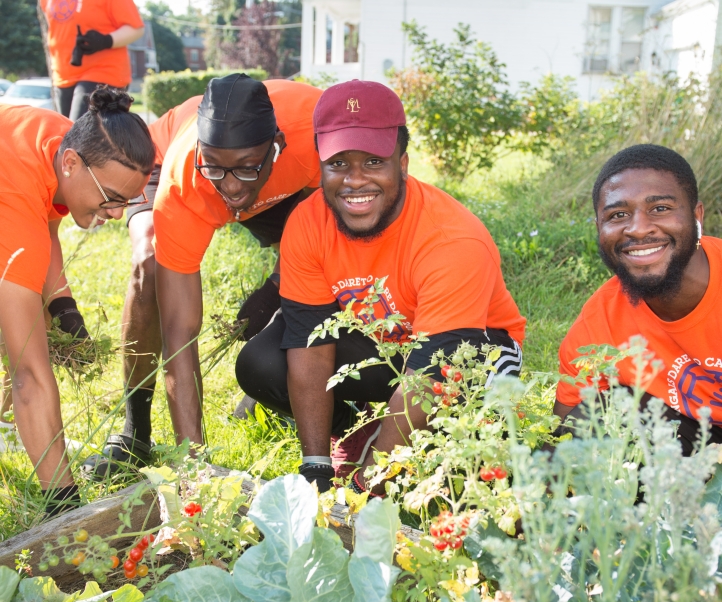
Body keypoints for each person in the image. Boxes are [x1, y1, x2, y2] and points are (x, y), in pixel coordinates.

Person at [236, 80, 526, 494]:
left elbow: (430, 373)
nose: (355, 181)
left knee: (458, 464)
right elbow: (308, 343)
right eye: (338, 164)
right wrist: (315, 469)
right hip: (388, 345)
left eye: (373, 162)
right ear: (320, 165)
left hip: (470, 354)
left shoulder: (453, 239)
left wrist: (365, 480)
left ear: (403, 165)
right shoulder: (307, 221)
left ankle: (387, 451)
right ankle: (355, 429)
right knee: (263, 360)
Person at [81, 74, 322, 476]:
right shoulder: (186, 179)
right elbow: (180, 334)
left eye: (242, 170)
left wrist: (276, 285)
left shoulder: (318, 133)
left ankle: (269, 392)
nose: (229, 188)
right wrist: (195, 469)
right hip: (167, 161)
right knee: (150, 265)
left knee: (318, 265)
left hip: (284, 175)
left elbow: (325, 239)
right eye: (216, 170)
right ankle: (134, 432)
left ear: (276, 147)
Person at [0, 87, 155, 513]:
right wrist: (67, 511)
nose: (117, 213)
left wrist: (62, 305)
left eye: (129, 200)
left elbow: (45, 221)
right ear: (71, 164)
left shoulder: (66, 140)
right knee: (27, 350)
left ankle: (9, 429)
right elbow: (29, 375)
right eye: (111, 198)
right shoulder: (14, 197)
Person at [554, 144, 722, 455]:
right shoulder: (598, 324)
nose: (638, 229)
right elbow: (562, 442)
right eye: (618, 215)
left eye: (660, 208)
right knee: (593, 419)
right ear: (600, 230)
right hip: (688, 446)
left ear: (697, 216)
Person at [43, 0, 144, 121]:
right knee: (65, 134)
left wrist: (106, 40)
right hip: (63, 75)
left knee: (79, 135)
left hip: (104, 71)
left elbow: (136, 28)